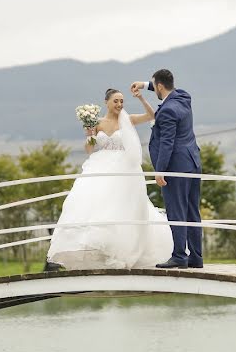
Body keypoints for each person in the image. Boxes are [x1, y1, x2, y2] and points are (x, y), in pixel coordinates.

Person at [45, 88, 172, 269]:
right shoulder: (97, 123)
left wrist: (142, 98)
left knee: (122, 206)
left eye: (122, 101)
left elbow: (152, 115)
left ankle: (125, 249)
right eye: (116, 101)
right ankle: (98, 249)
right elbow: (89, 150)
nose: (119, 104)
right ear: (106, 102)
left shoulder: (128, 119)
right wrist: (89, 133)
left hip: (123, 168)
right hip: (101, 164)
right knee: (96, 204)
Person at [131, 69, 203, 269]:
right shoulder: (183, 97)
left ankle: (179, 256)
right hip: (193, 163)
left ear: (160, 86)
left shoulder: (168, 110)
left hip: (176, 167)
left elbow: (167, 143)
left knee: (176, 211)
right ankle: (196, 257)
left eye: (155, 86)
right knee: (191, 211)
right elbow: (164, 87)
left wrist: (160, 170)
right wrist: (145, 85)